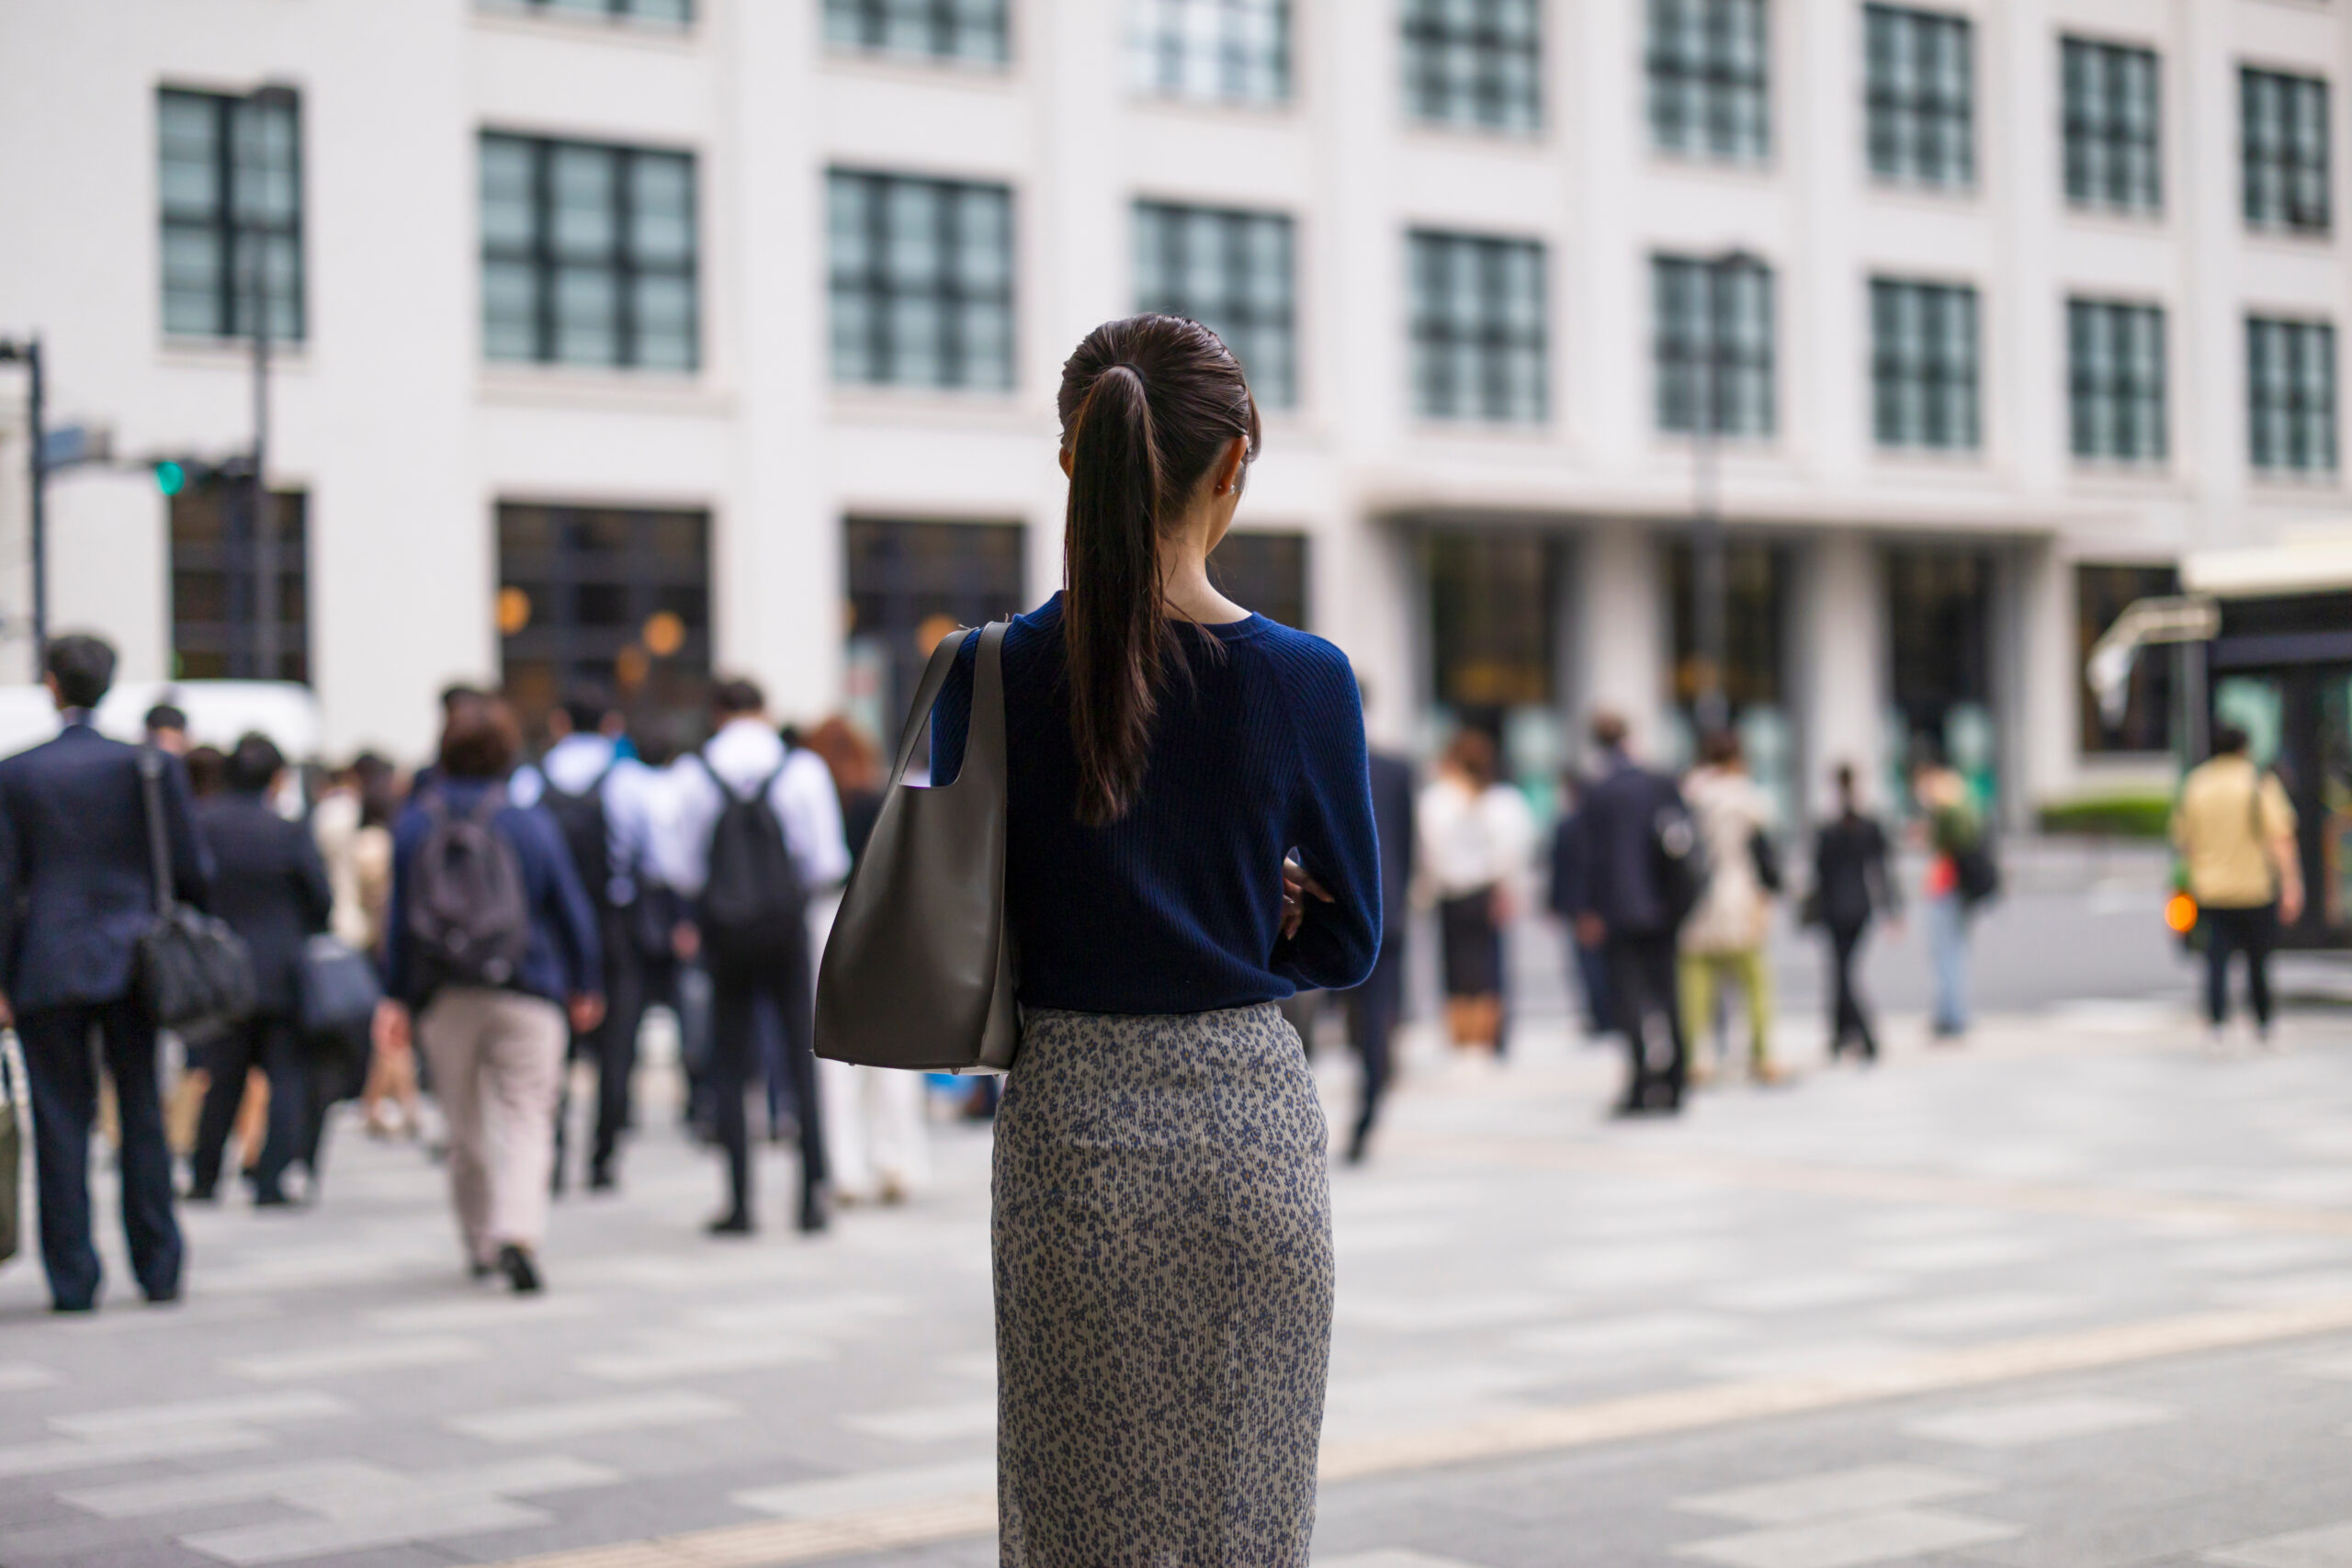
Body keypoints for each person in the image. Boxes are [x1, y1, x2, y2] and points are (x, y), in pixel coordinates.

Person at [928, 315, 1378, 1564]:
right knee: (1245, 1529)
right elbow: (1354, 938)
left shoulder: (996, 670)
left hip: (1071, 1126)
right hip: (1249, 1128)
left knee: (1077, 1523)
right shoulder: (1303, 677)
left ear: (1077, 463)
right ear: (1236, 462)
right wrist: (1252, 919)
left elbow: (982, 902)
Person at [0, 634, 209, 1311]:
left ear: (52, 684)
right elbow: (192, 868)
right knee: (142, 1107)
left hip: (45, 959)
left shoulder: (18, 772)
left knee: (60, 1120)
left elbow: (3, 885)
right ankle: (158, 1263)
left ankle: (73, 1276)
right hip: (136, 958)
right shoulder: (149, 766)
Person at [378, 694, 603, 1293]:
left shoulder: (414, 822)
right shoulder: (528, 821)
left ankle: (479, 1243)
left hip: (445, 994)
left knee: (464, 1126)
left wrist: (395, 997)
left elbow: (398, 921)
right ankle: (518, 1232)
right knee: (530, 1115)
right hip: (528, 986)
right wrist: (586, 981)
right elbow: (569, 907)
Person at [655, 677, 849, 1235]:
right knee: (799, 1056)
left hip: (724, 933)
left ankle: (740, 1202)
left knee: (729, 1063)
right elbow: (826, 861)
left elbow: (679, 868)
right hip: (786, 929)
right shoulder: (800, 770)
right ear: (764, 711)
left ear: (717, 712)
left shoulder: (694, 774)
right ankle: (812, 1194)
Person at [514, 691, 661, 1193]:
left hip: (549, 928)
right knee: (617, 1046)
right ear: (612, 725)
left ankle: (550, 1157)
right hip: (614, 922)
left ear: (558, 722)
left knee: (550, 1048)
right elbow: (656, 856)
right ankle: (603, 1158)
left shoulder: (531, 781)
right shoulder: (630, 782)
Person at [185, 734, 335, 1205]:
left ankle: (205, 1176)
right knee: (285, 1077)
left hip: (221, 971)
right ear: (276, 778)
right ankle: (271, 1179)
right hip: (281, 971)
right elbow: (321, 898)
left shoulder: (204, 825)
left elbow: (189, 890)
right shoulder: (287, 829)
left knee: (221, 1077)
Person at [801, 716, 929, 1205]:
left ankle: (845, 1169)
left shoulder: (816, 796)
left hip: (826, 918)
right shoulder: (884, 795)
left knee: (833, 1055)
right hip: (884, 919)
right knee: (893, 1048)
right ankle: (895, 1159)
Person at [1570, 709, 1694, 1116]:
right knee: (1668, 996)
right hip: (1664, 907)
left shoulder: (1598, 790)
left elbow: (1587, 857)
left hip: (1619, 910)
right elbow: (1684, 840)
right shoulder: (1660, 782)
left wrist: (1587, 909)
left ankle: (1641, 1082)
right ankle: (1676, 1081)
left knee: (1630, 1001)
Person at [2173, 724, 2304, 1045]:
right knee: (2259, 961)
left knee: (2215, 961)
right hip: (2254, 888)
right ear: (2244, 748)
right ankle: (2262, 1023)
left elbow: (2183, 841)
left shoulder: (2197, 784)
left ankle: (2217, 1025)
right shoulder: (2259, 783)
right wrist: (2291, 884)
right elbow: (2281, 838)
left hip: (2210, 890)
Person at [1416, 728, 1534, 1058]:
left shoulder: (1437, 800)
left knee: (1455, 968)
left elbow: (1430, 852)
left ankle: (1462, 1038)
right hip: (1487, 892)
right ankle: (1487, 1038)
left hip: (1452, 893)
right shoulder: (1505, 801)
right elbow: (1514, 852)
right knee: (1488, 967)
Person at [1679, 729, 1782, 1085]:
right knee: (1754, 982)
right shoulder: (1748, 797)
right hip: (1739, 893)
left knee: (1695, 984)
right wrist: (1769, 893)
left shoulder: (1689, 795)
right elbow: (1765, 855)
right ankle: (1762, 1053)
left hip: (1696, 899)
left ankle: (1698, 1058)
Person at [316, 754, 410, 1134]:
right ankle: (391, 1102)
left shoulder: (329, 819)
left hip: (344, 928)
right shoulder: (374, 842)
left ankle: (385, 1101)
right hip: (369, 935)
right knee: (384, 1025)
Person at [1337, 741, 1415, 1164]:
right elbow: (1408, 841)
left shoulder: (1329, 754)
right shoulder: (1395, 768)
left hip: (1327, 908)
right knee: (1376, 1014)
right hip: (1386, 909)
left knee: (1331, 1018)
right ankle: (1369, 1105)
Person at [1811, 762, 1899, 1062]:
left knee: (1842, 973)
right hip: (1854, 906)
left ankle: (1863, 1033)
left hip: (1840, 907)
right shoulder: (1854, 826)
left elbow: (1819, 872)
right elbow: (1882, 871)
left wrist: (1892, 908)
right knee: (1840, 972)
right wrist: (1891, 908)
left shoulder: (1834, 828)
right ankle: (1841, 1035)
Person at [1911, 747, 1981, 1039]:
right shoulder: (1963, 804)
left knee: (1947, 954)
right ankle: (1950, 1013)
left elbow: (1947, 849)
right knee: (1951, 953)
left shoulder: (1948, 809)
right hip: (1954, 889)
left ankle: (1952, 1015)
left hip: (1948, 888)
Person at [1547, 770, 1613, 1037]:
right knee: (1599, 965)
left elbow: (1562, 870)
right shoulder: (1600, 823)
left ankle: (1601, 1015)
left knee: (1589, 967)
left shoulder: (1571, 825)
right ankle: (1606, 1014)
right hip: (1598, 904)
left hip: (1581, 906)